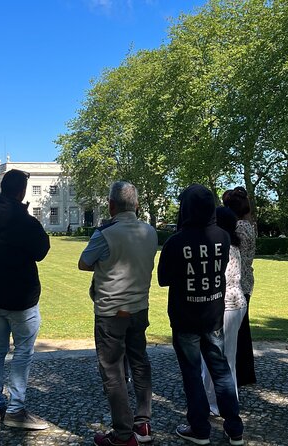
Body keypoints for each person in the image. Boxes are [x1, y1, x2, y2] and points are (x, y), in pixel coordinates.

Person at [157, 184, 244, 446]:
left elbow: (163, 279)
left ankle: (199, 428)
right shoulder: (223, 237)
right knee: (221, 371)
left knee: (192, 374)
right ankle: (235, 427)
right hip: (213, 314)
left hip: (185, 317)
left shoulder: (176, 242)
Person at [0, 168, 51, 429]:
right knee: (22, 353)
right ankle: (16, 410)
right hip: (21, 297)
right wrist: (23, 213)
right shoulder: (24, 221)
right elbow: (41, 249)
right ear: (21, 192)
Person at [78, 181, 158, 446]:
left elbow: (84, 263)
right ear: (136, 206)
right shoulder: (150, 232)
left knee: (112, 372)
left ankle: (123, 434)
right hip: (139, 308)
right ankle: (142, 423)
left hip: (111, 311)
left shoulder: (104, 234)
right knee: (140, 363)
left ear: (111, 206)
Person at [202, 207, 248, 417]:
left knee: (214, 358)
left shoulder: (220, 247)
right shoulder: (234, 246)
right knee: (228, 357)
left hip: (224, 306)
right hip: (237, 303)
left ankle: (214, 403)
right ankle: (227, 400)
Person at [222, 187, 257, 386]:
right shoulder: (249, 226)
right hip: (246, 279)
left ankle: (240, 373)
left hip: (237, 280)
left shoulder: (237, 227)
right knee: (243, 330)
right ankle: (245, 372)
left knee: (239, 332)